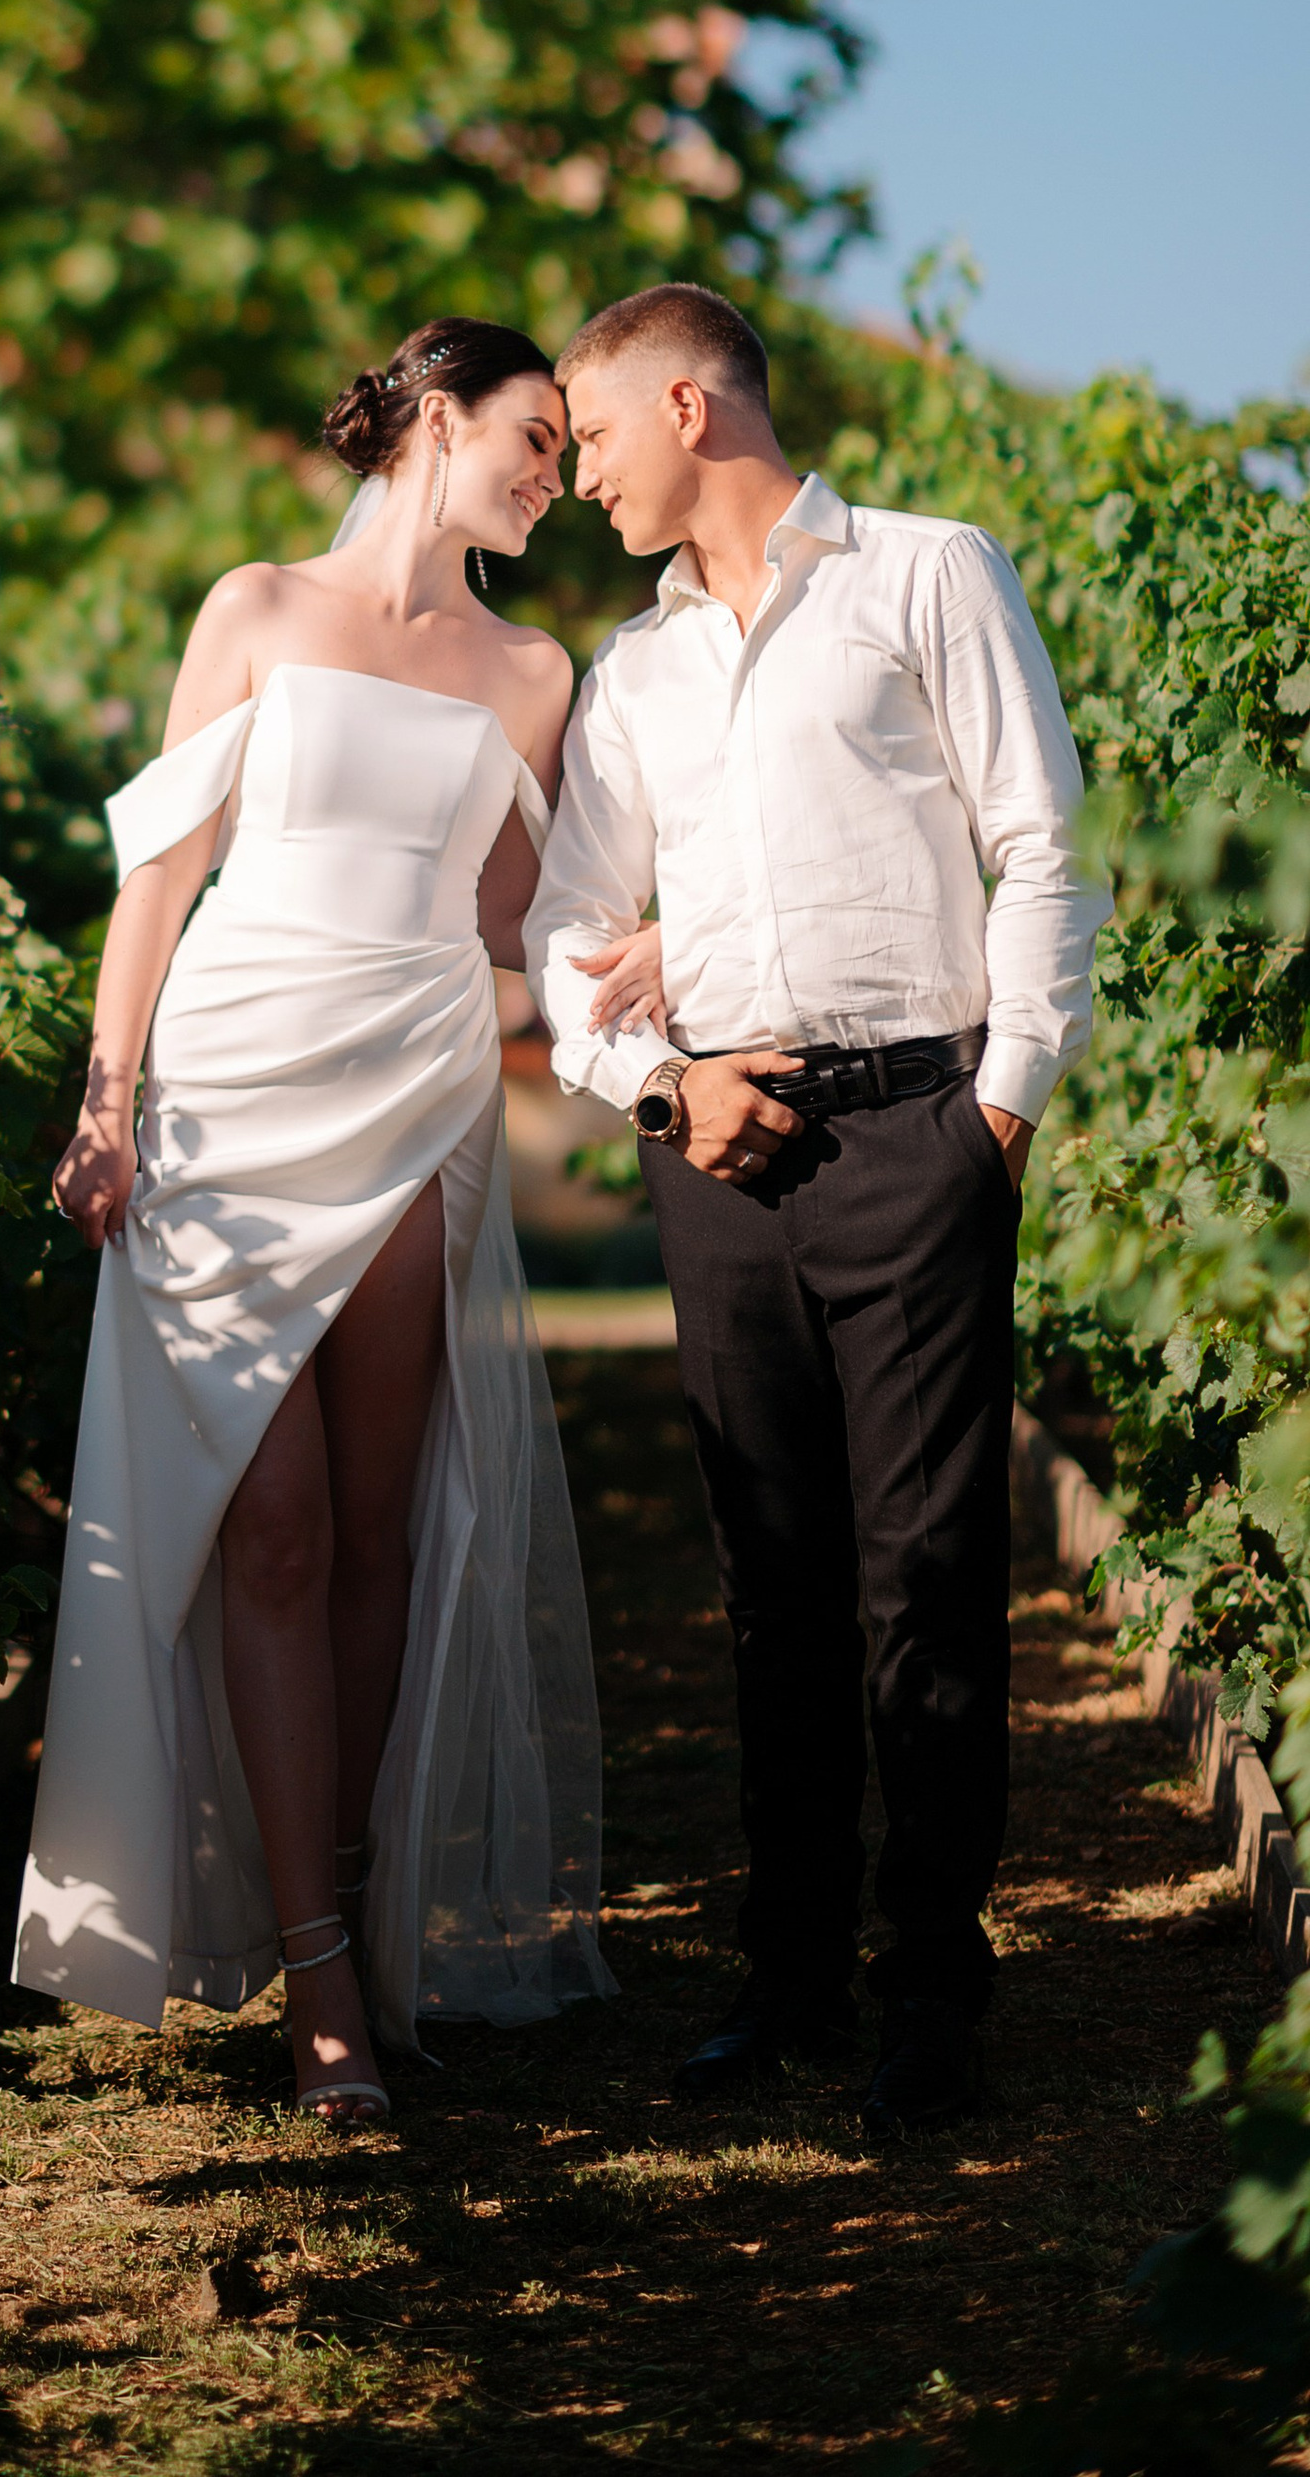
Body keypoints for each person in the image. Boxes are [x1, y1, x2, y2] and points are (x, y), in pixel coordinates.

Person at [15, 321, 619, 2125]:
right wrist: (107, 1100)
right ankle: (318, 1976)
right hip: (229, 1086)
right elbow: (158, 876)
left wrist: (670, 959)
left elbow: (530, 924)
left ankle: (347, 1912)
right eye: (533, 435)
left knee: (374, 1536)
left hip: (415, 1094)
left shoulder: (534, 667)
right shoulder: (256, 607)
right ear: (438, 417)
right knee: (266, 1533)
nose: (555, 474)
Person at [526, 282, 1108, 2135]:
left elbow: (1041, 839)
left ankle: (930, 1998)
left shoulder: (931, 574)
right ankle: (782, 1986)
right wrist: (657, 1086)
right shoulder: (631, 673)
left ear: (689, 407)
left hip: (915, 1134)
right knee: (768, 1587)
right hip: (721, 1153)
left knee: (924, 1582)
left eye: (593, 436)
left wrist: (1001, 1108)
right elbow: (562, 939)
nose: (579, 476)